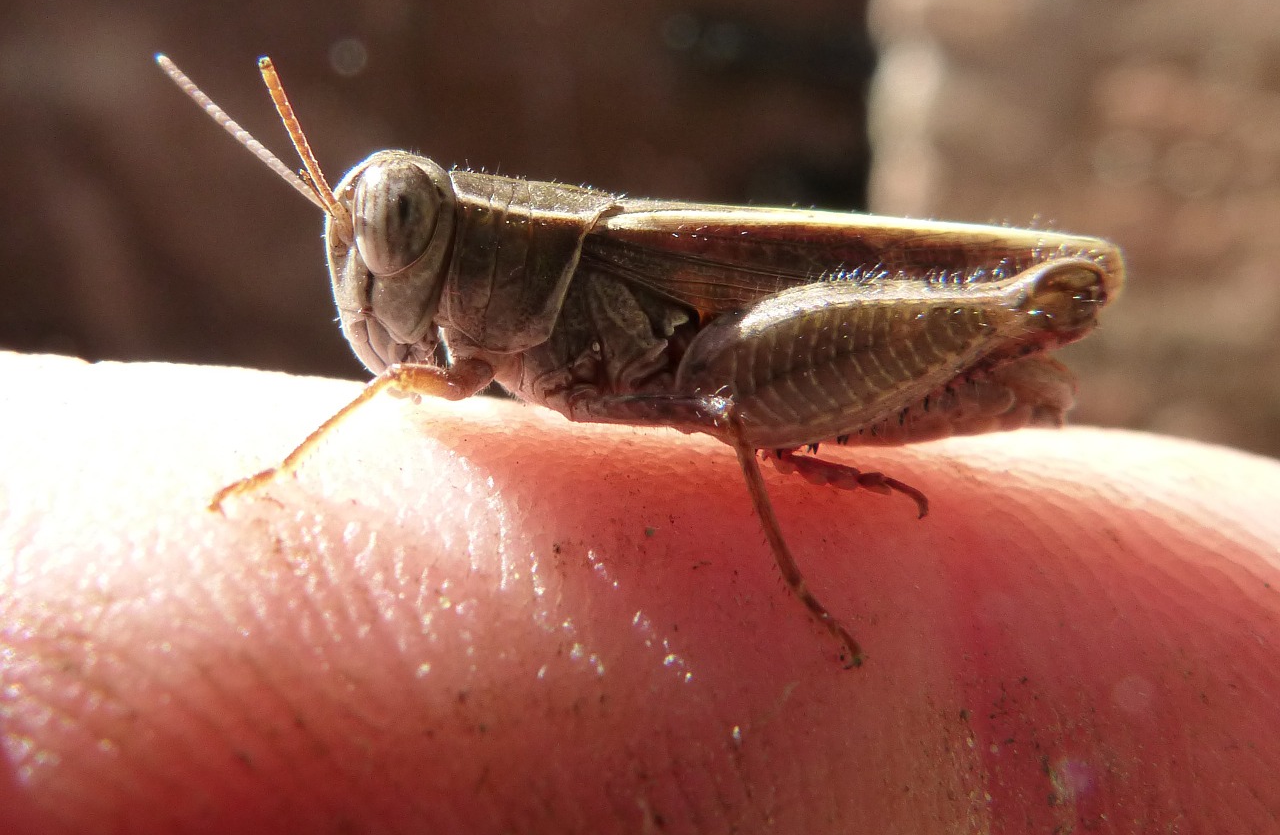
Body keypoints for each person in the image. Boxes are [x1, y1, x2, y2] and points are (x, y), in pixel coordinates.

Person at [2, 352, 1277, 834]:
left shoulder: (569, 305)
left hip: (784, 355)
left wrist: (796, 583)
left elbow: (710, 389)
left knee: (722, 395)